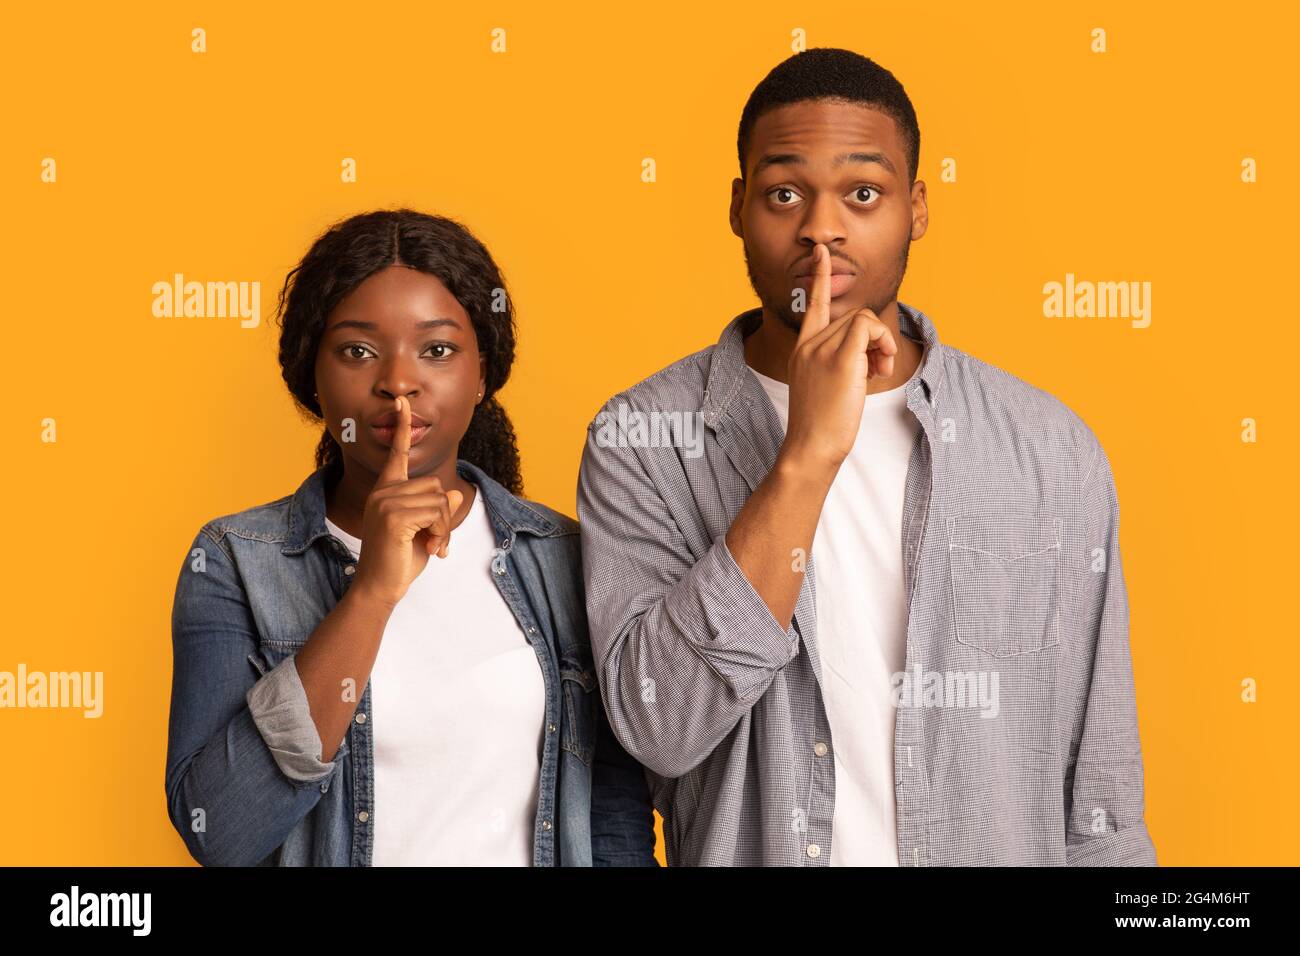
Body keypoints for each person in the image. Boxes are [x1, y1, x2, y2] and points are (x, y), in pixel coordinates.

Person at [577, 48, 1156, 866]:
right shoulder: (642, 441)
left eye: (862, 193)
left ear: (916, 208)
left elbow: (1101, 808)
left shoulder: (1046, 449)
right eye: (785, 193)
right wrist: (806, 457)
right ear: (738, 207)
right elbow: (660, 727)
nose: (822, 227)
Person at [166, 208, 656, 866]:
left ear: (483, 373)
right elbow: (220, 831)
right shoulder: (233, 560)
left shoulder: (564, 558)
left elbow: (614, 823)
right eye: (358, 351)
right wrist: (370, 594)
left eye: (437, 349)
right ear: (311, 375)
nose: (399, 381)